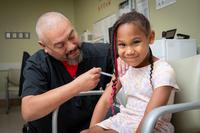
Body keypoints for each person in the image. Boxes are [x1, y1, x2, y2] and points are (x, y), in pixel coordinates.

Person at [81, 10, 179, 133]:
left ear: (151, 37)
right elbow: (105, 101)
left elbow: (150, 116)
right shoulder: (124, 68)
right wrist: (92, 129)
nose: (129, 51)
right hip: (125, 120)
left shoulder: (163, 72)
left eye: (136, 42)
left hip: (152, 125)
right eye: (122, 45)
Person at [21, 12, 113, 133]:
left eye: (71, 36)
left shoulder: (102, 53)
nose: (71, 47)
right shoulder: (37, 65)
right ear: (44, 46)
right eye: (60, 45)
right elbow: (28, 111)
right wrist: (77, 86)